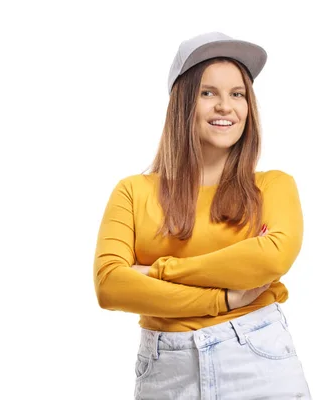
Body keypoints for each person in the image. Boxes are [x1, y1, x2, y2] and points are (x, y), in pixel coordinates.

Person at [93, 32, 311, 399]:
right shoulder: (133, 191)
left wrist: (158, 271)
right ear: (183, 104)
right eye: (208, 93)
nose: (225, 106)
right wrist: (222, 300)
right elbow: (111, 285)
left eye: (237, 94)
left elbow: (272, 256)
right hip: (167, 370)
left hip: (258, 359)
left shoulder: (273, 186)